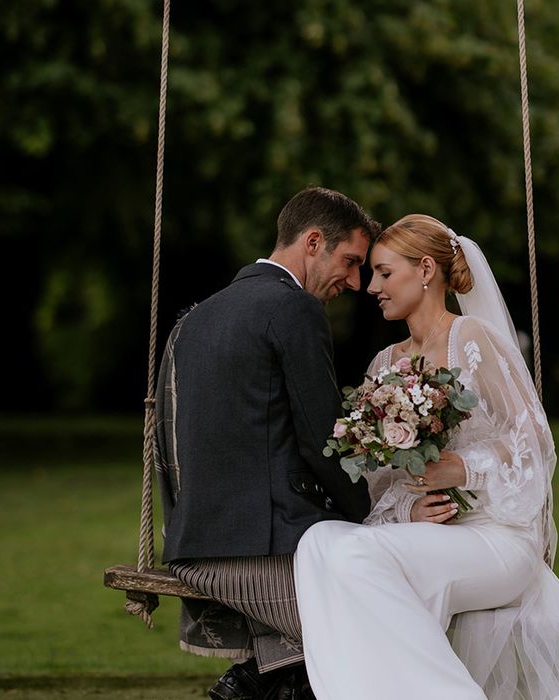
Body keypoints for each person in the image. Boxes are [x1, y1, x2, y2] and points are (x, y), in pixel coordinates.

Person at [295, 214, 559, 699]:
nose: (372, 287)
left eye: (385, 273)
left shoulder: (472, 340)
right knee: (318, 542)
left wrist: (464, 468)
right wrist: (406, 507)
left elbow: (533, 442)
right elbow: (377, 478)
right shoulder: (385, 364)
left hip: (494, 535)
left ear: (427, 270)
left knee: (354, 552)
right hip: (421, 531)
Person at [153, 187, 380, 700]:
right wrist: (372, 511)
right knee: (378, 621)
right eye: (350, 262)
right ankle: (246, 687)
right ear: (314, 241)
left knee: (326, 645)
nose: (355, 281)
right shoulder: (292, 307)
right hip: (259, 549)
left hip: (196, 543)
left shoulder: (196, 317)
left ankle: (250, 684)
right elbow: (324, 440)